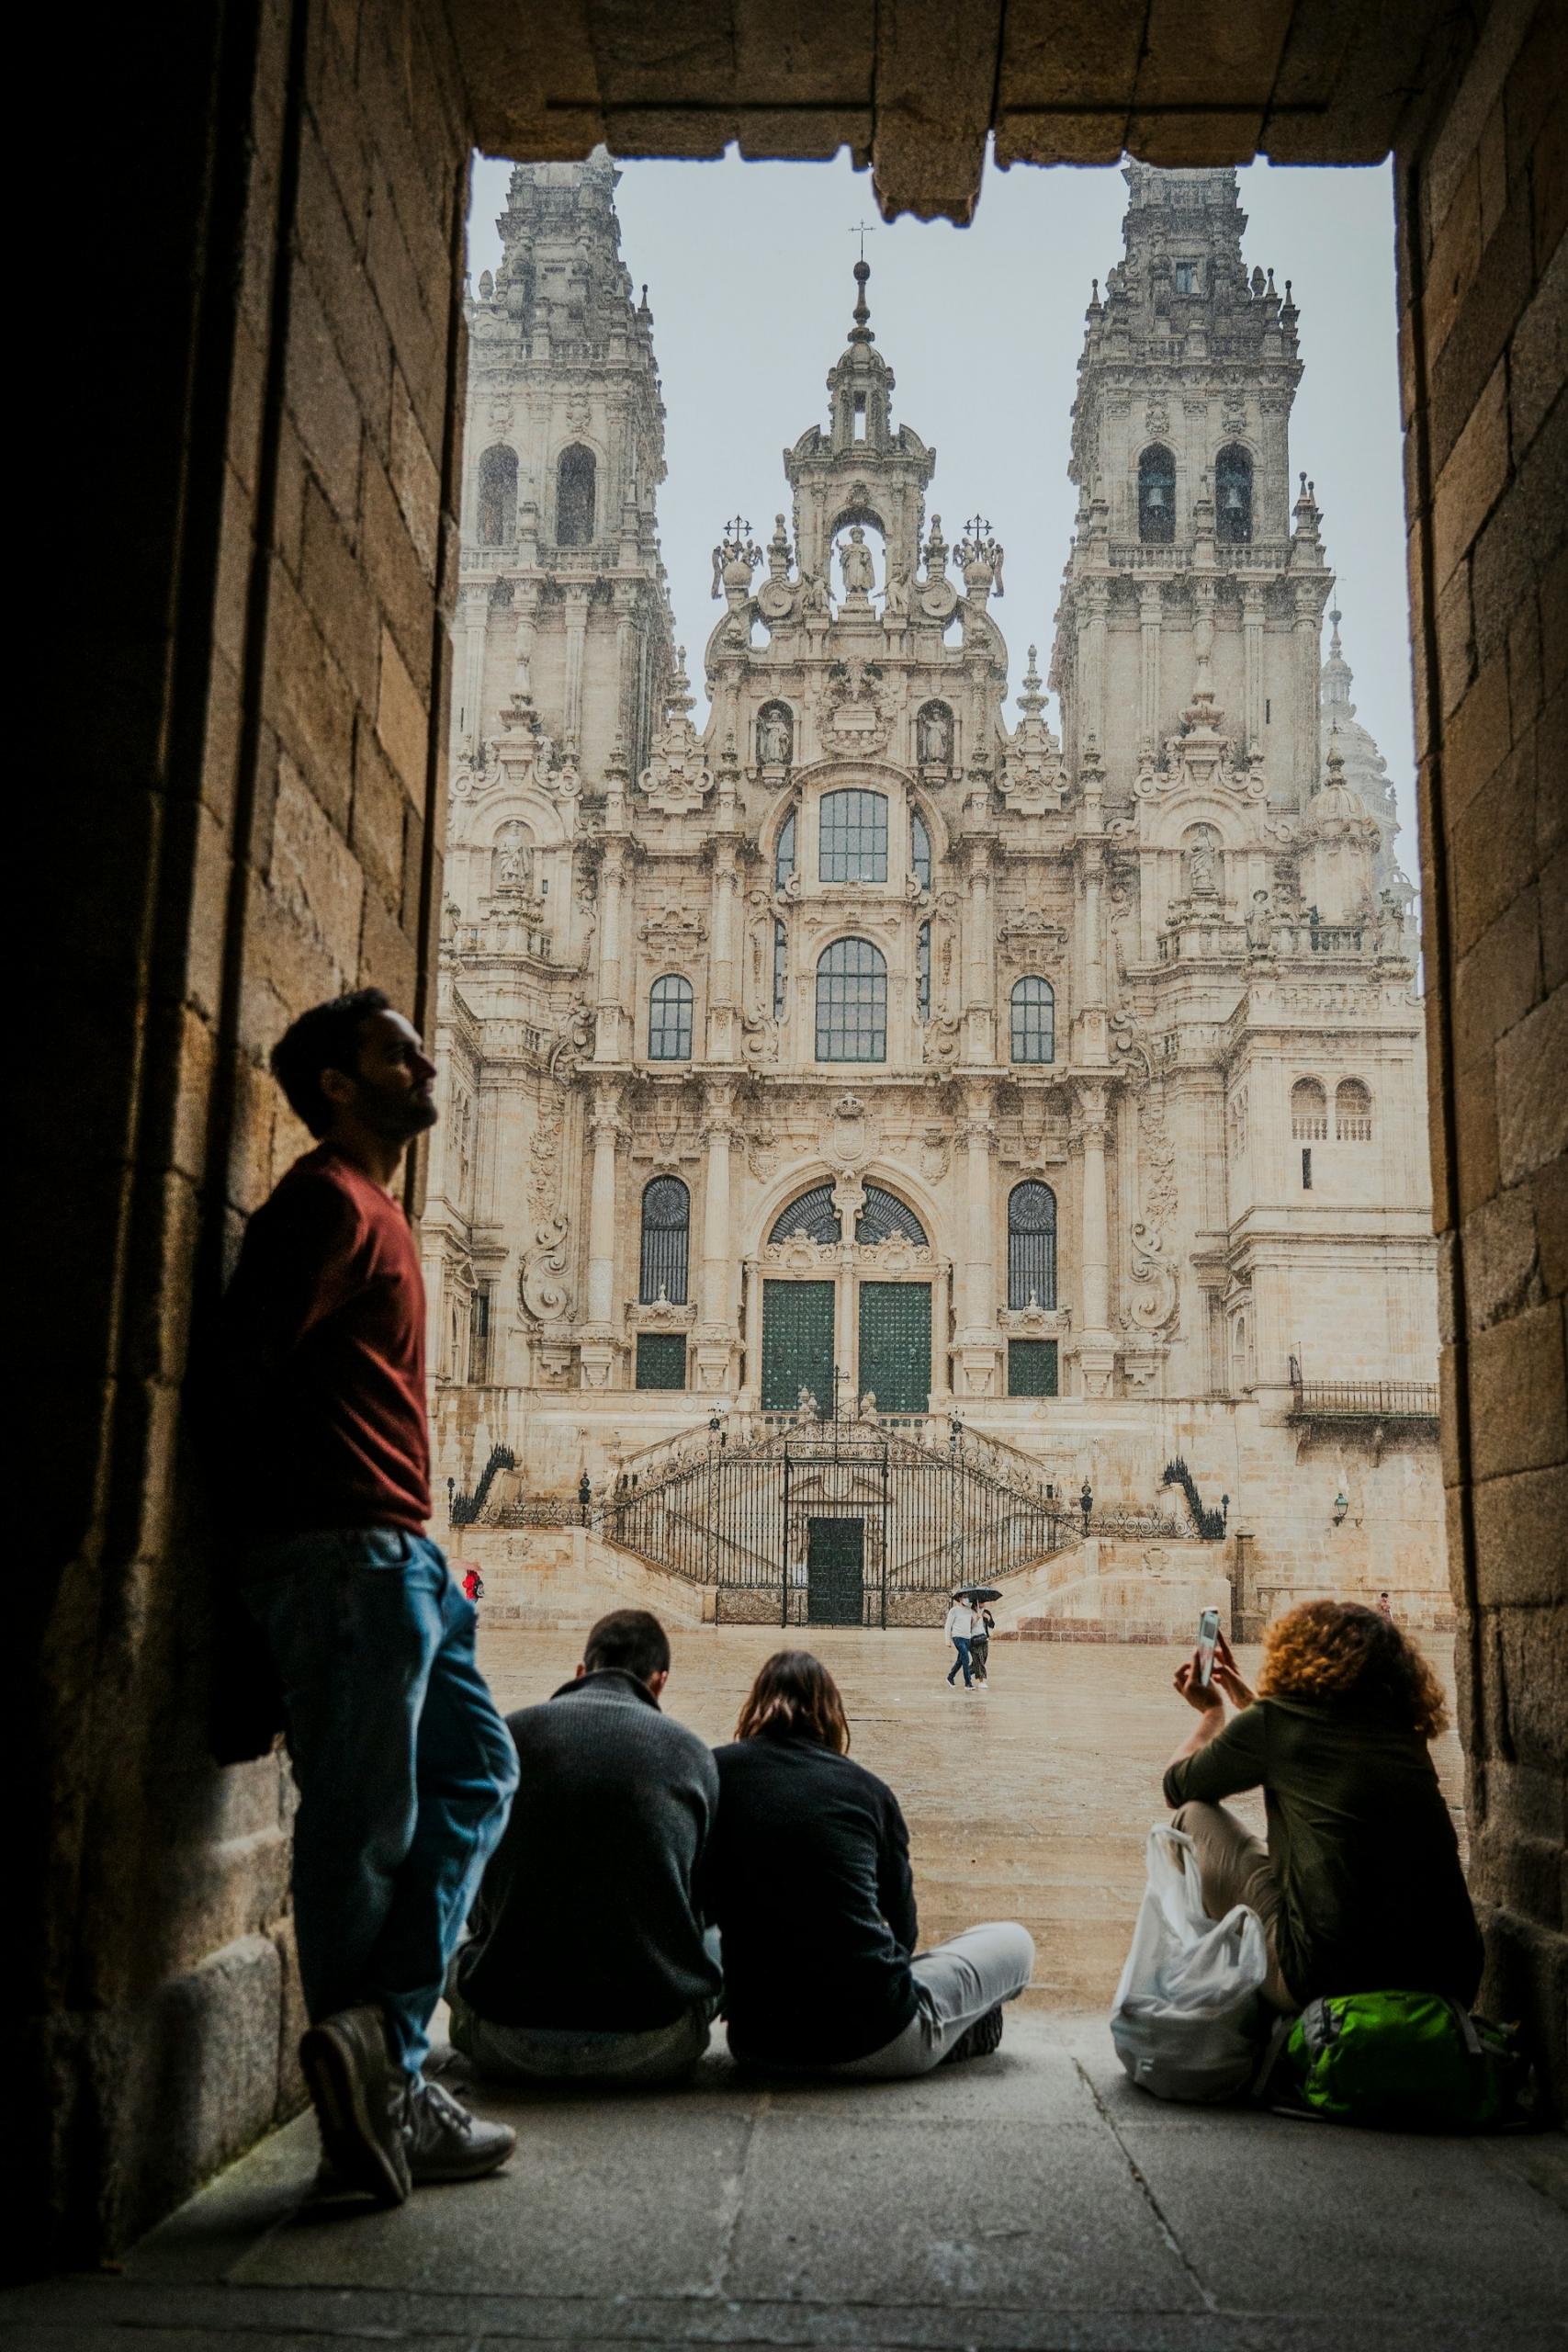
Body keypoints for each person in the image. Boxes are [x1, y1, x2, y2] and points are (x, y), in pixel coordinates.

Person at [217, 989, 520, 2206]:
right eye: (396, 1050)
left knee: (483, 1770)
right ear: (339, 1083)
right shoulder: (325, 1204)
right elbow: (242, 1369)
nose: (423, 1059)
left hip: (403, 1559)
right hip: (347, 1555)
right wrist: (260, 1568)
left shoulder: (378, 1209)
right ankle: (377, 2102)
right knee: (358, 1829)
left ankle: (376, 2043)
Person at [705, 1652, 1034, 2075]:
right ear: (832, 1714)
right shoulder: (867, 1790)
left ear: (754, 1706)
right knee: (1014, 1942)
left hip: (757, 2042)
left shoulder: (713, 1773)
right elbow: (904, 1932)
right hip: (874, 2035)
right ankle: (945, 2031)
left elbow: (701, 1904)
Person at [1163, 1603, 1483, 2014]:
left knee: (1191, 1818)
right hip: (1450, 1977)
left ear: (1292, 1653)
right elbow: (1311, 1741)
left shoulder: (1275, 1722)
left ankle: (1213, 1998)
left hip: (1326, 1979)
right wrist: (1250, 1702)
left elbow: (1178, 1784)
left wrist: (1212, 1713)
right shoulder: (1402, 1730)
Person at [447, 1610, 723, 2086]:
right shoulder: (691, 1754)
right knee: (723, 1939)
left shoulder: (507, 1739)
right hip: (652, 2046)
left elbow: (470, 1893)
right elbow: (704, 1904)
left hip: (505, 2041)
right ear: (659, 1682)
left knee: (445, 1924)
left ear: (581, 1670)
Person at [943, 1594, 976, 1689]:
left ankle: (950, 1677)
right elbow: (948, 1626)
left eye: (967, 1597)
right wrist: (947, 1640)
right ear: (960, 1598)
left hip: (967, 1638)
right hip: (957, 1637)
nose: (967, 1599)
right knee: (966, 1659)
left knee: (960, 1660)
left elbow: (971, 1626)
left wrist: (977, 1618)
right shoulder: (954, 1610)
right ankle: (968, 1683)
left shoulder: (969, 1610)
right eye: (965, 1597)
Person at [969, 1604, 995, 1694]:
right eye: (982, 1601)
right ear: (976, 1604)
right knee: (979, 1659)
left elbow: (992, 1625)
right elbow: (968, 1627)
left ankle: (968, 1671)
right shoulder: (970, 1613)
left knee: (983, 1658)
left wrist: (988, 1618)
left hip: (984, 1638)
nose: (984, 1603)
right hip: (974, 1639)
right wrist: (976, 1619)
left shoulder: (986, 1612)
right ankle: (981, 1681)